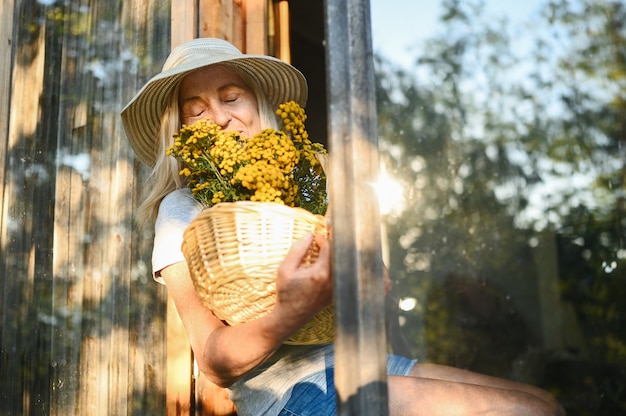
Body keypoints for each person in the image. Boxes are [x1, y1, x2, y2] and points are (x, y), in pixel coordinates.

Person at [121, 37, 565, 416]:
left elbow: (373, 282)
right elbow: (215, 363)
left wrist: (370, 274)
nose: (219, 118)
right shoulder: (181, 209)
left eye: (232, 97)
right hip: (293, 392)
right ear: (179, 132)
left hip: (367, 361)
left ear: (258, 105)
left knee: (544, 402)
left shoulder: (312, 177)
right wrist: (290, 312)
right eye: (195, 110)